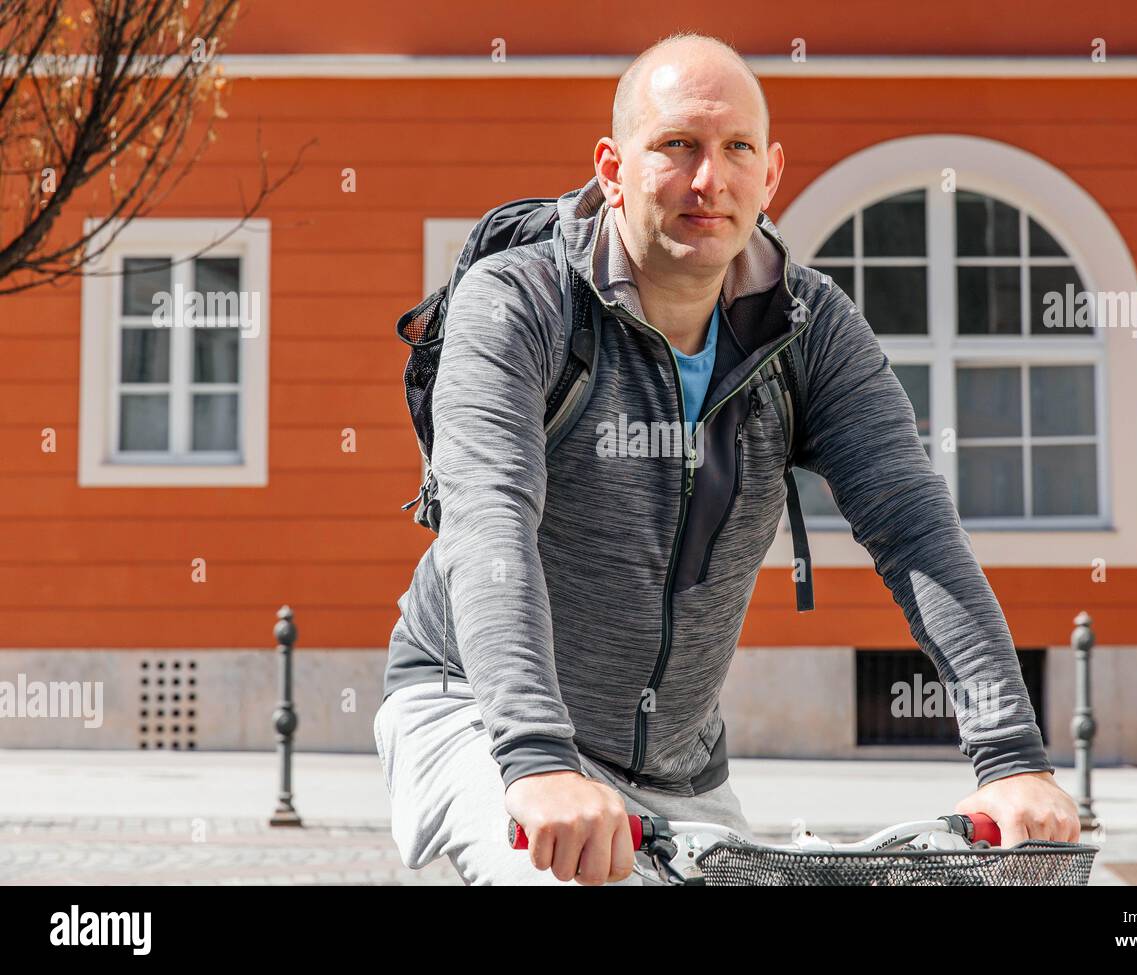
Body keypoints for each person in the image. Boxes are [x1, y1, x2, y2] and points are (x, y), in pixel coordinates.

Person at [374, 30, 1081, 886]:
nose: (709, 180)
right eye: (677, 145)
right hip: (481, 717)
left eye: (736, 148)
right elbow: (490, 519)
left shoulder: (809, 328)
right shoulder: (523, 303)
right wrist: (536, 759)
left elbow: (912, 524)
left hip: (682, 772)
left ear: (771, 172)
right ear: (612, 166)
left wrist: (1010, 754)